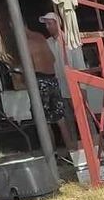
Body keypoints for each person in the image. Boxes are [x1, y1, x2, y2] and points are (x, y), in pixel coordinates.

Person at [22, 19, 76, 152]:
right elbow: (52, 58)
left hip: (40, 80)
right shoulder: (40, 37)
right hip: (52, 78)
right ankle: (71, 151)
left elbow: (28, 66)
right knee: (60, 119)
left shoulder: (24, 43)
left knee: (43, 120)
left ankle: (51, 155)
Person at [38, 12, 81, 151]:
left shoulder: (70, 40)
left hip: (73, 84)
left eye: (50, 23)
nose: (47, 27)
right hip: (59, 86)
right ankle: (74, 150)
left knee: (82, 117)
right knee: (67, 120)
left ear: (58, 23)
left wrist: (83, 86)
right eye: (46, 24)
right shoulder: (48, 43)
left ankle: (92, 144)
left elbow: (79, 64)